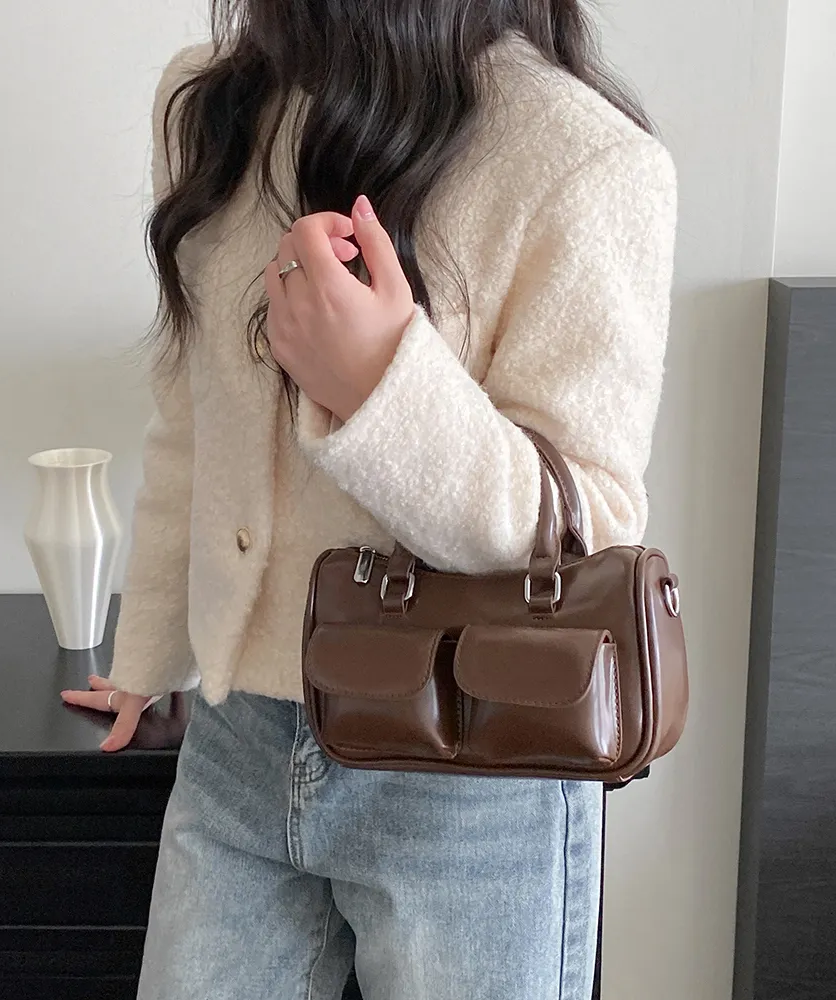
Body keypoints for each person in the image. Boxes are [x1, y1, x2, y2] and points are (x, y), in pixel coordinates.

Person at [61, 2, 677, 997]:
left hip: (472, 763)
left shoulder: (582, 157)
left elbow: (588, 532)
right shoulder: (215, 99)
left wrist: (380, 384)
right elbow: (189, 418)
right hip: (236, 743)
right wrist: (149, 655)